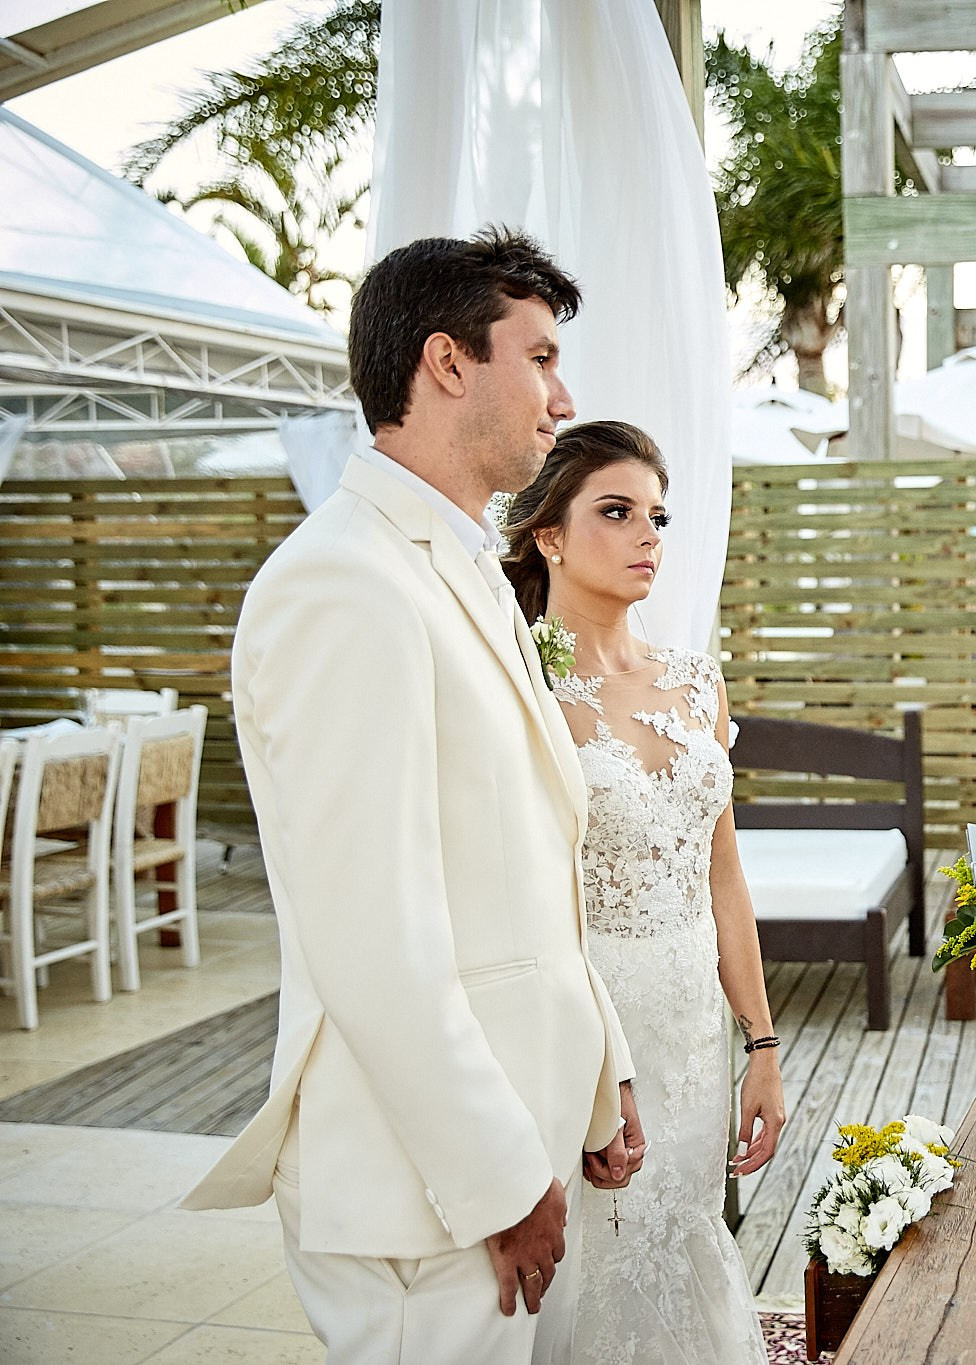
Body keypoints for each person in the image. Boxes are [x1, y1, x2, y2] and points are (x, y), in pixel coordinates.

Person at [182, 229, 645, 1364]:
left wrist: (600, 1067)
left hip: (509, 1134)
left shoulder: (460, 565)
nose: (562, 394)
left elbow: (522, 863)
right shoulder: (341, 582)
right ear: (447, 363)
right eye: (538, 357)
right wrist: (495, 1178)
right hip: (422, 1191)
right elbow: (370, 930)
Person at [500, 420, 787, 1363]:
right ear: (549, 533)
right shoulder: (526, 687)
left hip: (691, 1031)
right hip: (590, 1023)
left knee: (683, 1232)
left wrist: (761, 1043)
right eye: (615, 512)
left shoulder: (699, 681)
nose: (646, 536)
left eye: (656, 515)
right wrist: (591, 1063)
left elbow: (725, 881)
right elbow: (523, 897)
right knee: (594, 1257)